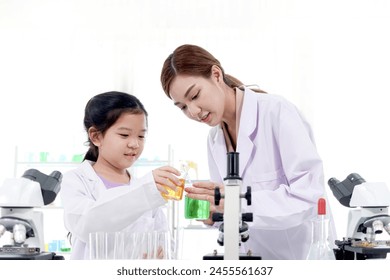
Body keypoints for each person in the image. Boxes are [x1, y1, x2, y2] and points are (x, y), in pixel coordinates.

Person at [160, 44, 336, 260]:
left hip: (299, 261)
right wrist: (214, 213)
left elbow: (309, 198)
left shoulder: (276, 112)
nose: (193, 111)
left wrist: (236, 203)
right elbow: (231, 209)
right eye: (183, 107)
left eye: (195, 95)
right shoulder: (215, 138)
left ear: (216, 74)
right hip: (249, 261)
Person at [61, 91, 181, 259]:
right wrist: (146, 191)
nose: (134, 144)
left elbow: (166, 246)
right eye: (124, 135)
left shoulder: (145, 189)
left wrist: (161, 258)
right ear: (96, 136)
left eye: (141, 136)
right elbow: (86, 225)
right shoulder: (77, 181)